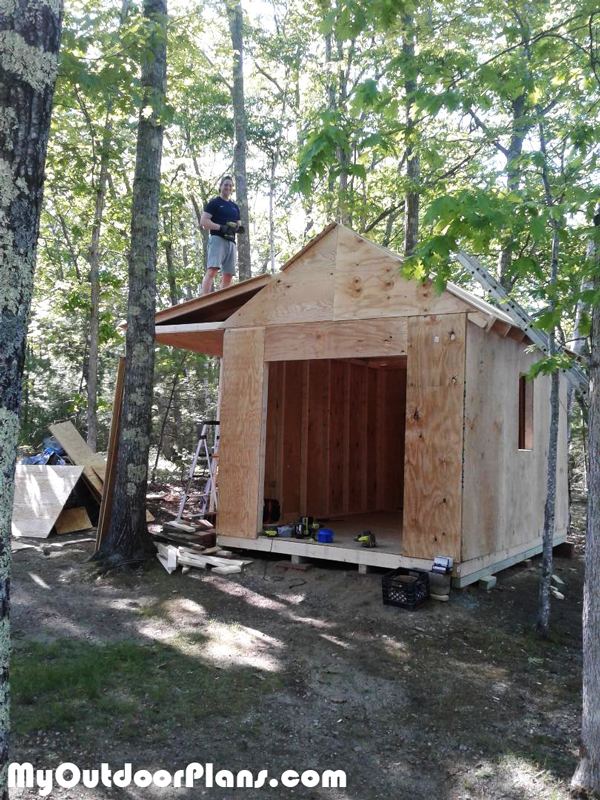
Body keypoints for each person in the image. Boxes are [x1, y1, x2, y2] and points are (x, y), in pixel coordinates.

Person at [200, 176, 241, 295]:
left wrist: (237, 227)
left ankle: (222, 300)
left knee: (228, 274)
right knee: (212, 270)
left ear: (232, 188)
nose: (228, 187)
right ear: (221, 186)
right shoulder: (214, 203)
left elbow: (238, 222)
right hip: (218, 239)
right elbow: (203, 221)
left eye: (230, 185)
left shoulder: (234, 206)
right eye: (225, 185)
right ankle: (204, 299)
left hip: (231, 241)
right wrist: (221, 227)